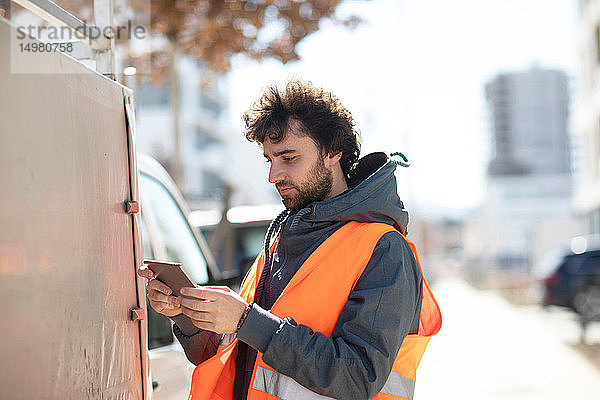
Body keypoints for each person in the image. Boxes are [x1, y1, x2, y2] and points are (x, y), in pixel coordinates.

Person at [138, 80, 441, 400]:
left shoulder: (384, 248)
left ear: (332, 151)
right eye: (270, 160)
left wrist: (246, 320)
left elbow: (358, 376)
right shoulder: (280, 240)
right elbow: (238, 359)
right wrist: (188, 318)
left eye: (289, 157)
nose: (274, 176)